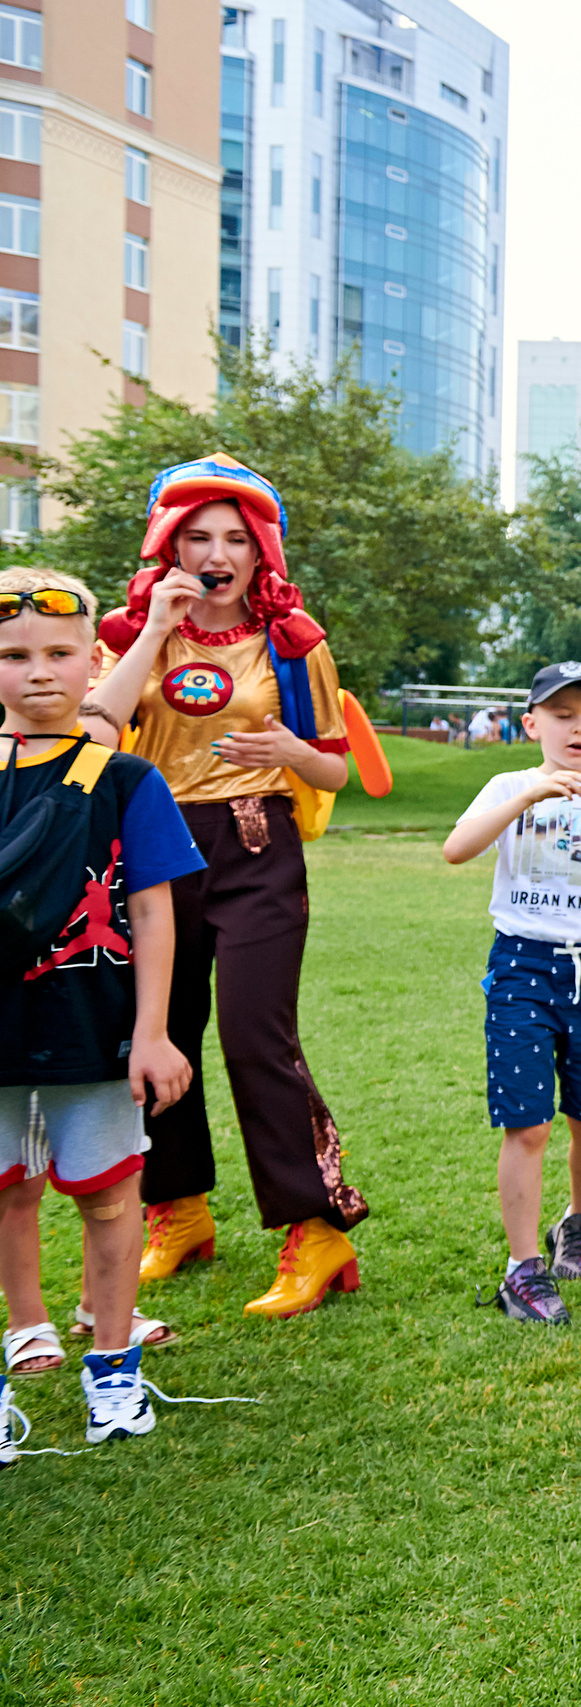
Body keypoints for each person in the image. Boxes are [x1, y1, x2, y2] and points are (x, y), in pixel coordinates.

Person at [84, 456, 371, 1321]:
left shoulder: (294, 641)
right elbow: (94, 731)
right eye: (198, 537)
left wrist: (289, 753)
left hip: (256, 841)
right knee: (157, 1033)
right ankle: (179, 1212)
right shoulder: (130, 630)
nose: (217, 554)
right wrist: (151, 630)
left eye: (236, 540)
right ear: (169, 544)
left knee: (255, 1033)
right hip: (150, 849)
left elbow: (336, 764)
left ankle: (318, 1232)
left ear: (261, 552)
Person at [0, 569, 201, 1446]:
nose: (38, 672)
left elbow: (154, 910)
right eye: (13, 654)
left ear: (95, 662)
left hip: (97, 1032)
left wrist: (152, 1031)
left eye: (59, 652)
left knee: (113, 1201)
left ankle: (113, 1371)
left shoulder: (126, 779)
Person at [442, 661, 581, 1325]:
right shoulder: (508, 784)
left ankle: (578, 1220)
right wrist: (526, 798)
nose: (578, 727)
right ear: (531, 722)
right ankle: (523, 1269)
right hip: (522, 963)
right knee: (529, 1121)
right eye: (563, 714)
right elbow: (457, 849)